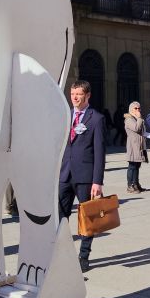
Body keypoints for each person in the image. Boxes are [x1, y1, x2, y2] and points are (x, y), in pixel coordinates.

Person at [59, 80, 108, 273]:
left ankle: (84, 256)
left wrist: (97, 181)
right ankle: (60, 253)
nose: (75, 98)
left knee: (87, 218)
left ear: (87, 96)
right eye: (72, 95)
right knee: (60, 217)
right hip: (64, 174)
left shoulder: (96, 119)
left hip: (85, 176)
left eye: (79, 94)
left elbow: (99, 152)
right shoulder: (65, 116)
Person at [123, 101, 146, 193]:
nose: (137, 110)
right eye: (135, 108)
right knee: (132, 166)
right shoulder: (129, 119)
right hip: (133, 146)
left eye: (139, 108)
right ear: (131, 110)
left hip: (139, 146)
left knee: (137, 165)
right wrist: (140, 118)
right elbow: (136, 128)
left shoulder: (136, 118)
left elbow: (141, 130)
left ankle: (136, 183)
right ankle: (130, 185)